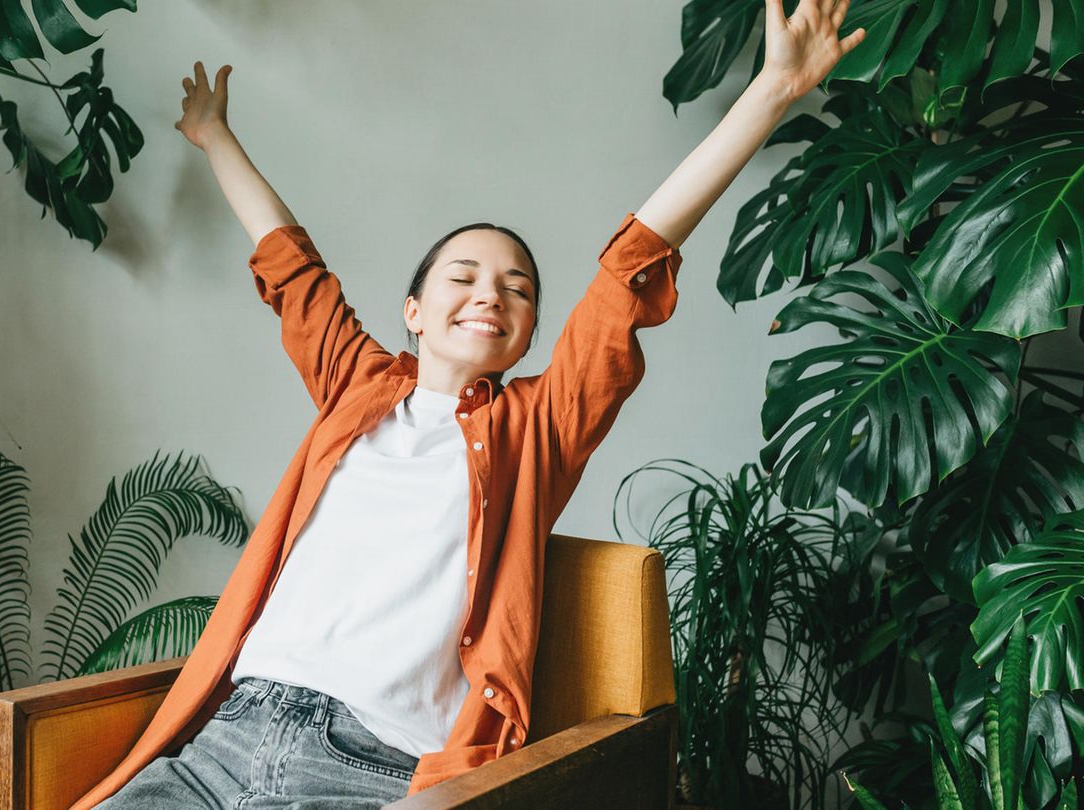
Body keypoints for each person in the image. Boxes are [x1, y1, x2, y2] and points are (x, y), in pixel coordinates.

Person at [80, 1, 866, 807]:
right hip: (226, 739)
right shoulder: (356, 385)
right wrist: (215, 135)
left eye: (517, 288)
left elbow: (630, 269)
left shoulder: (537, 427)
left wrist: (771, 90)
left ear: (526, 332)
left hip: (371, 765)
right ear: (414, 311)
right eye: (462, 276)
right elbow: (292, 268)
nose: (489, 293)